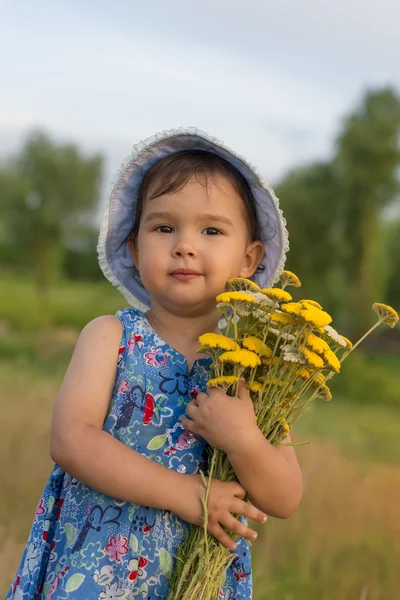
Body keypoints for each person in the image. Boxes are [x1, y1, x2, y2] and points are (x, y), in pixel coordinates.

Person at [7, 128, 303, 600]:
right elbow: (70, 440)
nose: (185, 245)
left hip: (195, 580)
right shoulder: (110, 336)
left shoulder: (249, 369)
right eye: (164, 227)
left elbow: (285, 496)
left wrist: (244, 439)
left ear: (249, 259)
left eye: (211, 230)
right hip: (97, 568)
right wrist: (190, 494)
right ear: (133, 246)